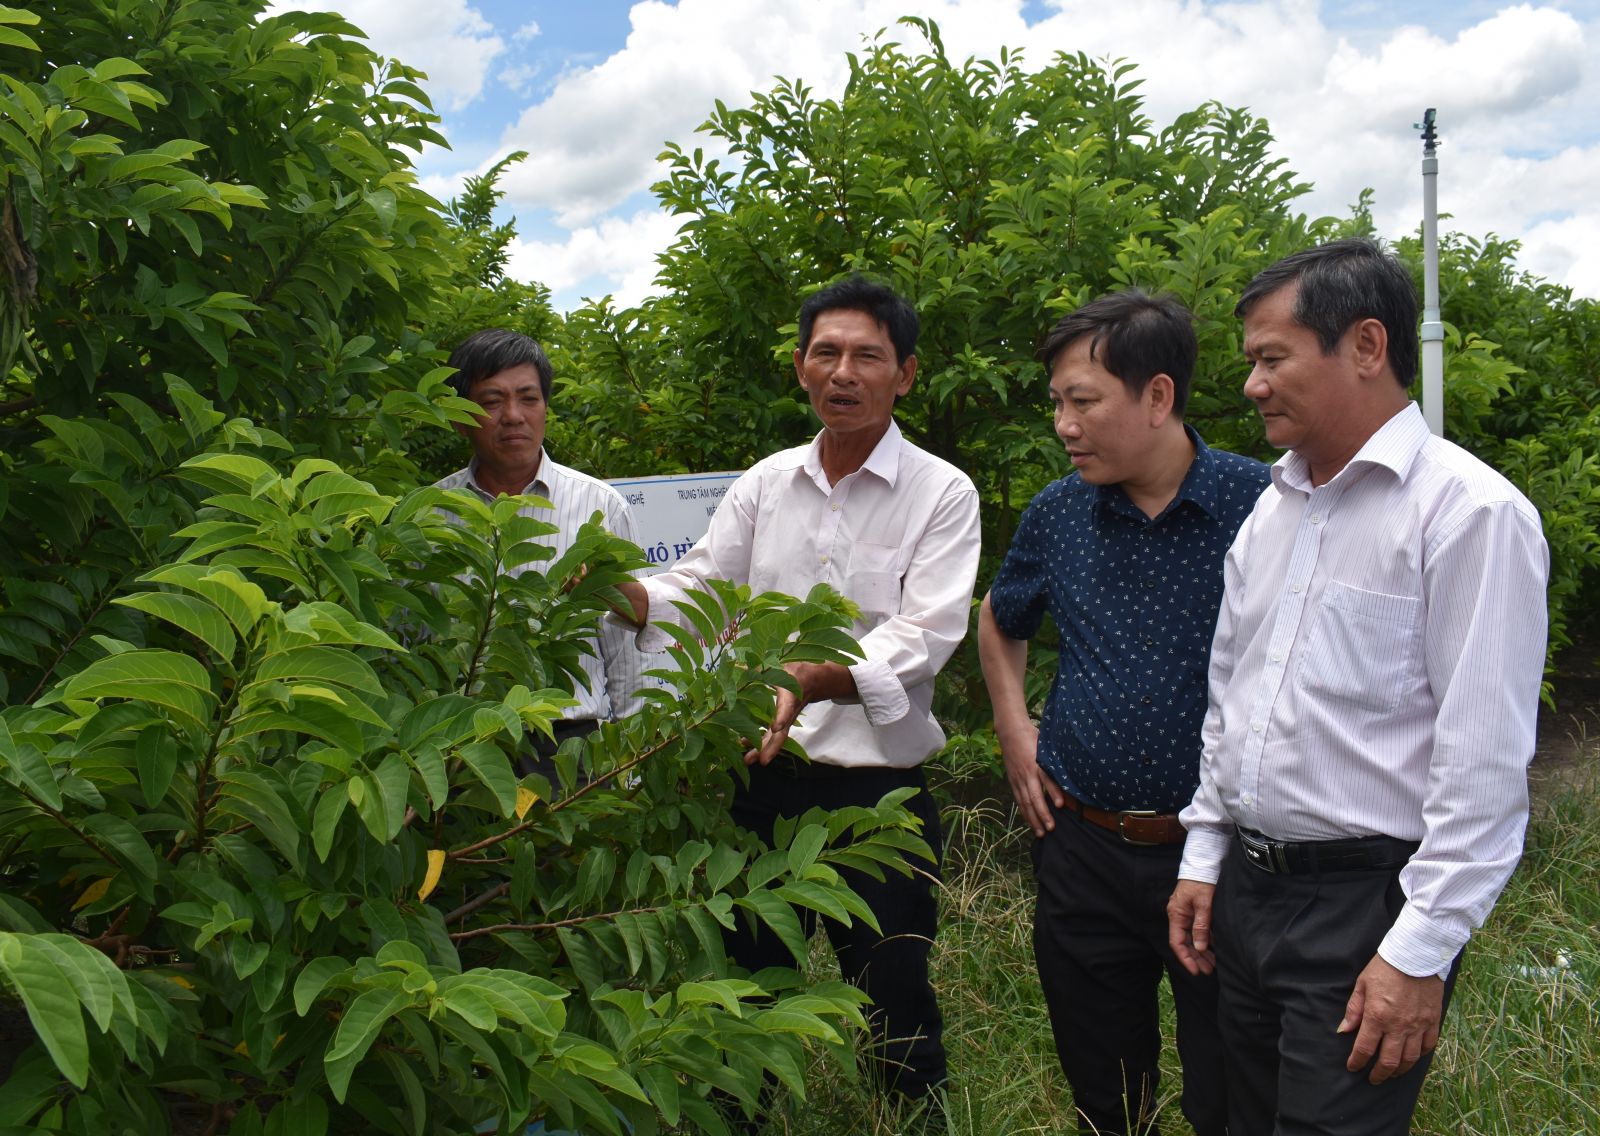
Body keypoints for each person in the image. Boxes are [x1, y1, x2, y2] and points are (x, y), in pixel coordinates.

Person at [1166, 239, 1549, 1135]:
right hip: (1247, 894)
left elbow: (1483, 762)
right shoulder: (1273, 511)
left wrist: (1419, 951)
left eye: (1272, 357)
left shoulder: (1470, 514)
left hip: (1364, 908)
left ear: (1367, 345)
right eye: (1251, 361)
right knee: (1236, 1118)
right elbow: (1232, 700)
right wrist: (1205, 854)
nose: (1252, 384)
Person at [613, 276, 980, 1120]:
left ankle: (913, 1118)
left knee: (893, 989)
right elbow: (704, 584)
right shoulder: (767, 482)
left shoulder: (942, 492)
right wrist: (626, 595)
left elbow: (927, 632)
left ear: (905, 374)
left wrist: (816, 676)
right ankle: (742, 1117)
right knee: (746, 988)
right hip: (760, 779)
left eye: (867, 356)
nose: (843, 373)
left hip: (878, 795)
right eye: (827, 353)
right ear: (800, 366)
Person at [978, 290, 1268, 1136]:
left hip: (1223, 857)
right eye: (1057, 404)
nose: (1064, 427)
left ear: (1158, 395)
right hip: (1084, 846)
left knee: (1229, 1091)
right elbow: (1001, 616)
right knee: (1105, 1094)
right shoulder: (1058, 512)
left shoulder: (1262, 506)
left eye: (1083, 402)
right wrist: (1014, 730)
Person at [434, 328, 645, 753]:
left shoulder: (600, 506)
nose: (513, 415)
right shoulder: (433, 513)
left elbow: (628, 650)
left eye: (528, 398)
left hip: (570, 747)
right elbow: (412, 640)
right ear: (459, 418)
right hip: (460, 747)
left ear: (546, 408)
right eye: (492, 401)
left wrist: (632, 758)